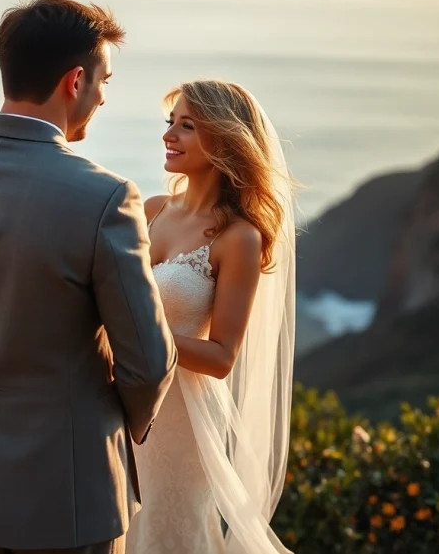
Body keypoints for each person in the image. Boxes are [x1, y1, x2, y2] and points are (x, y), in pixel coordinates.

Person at [0, 0, 176, 554]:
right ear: (75, 82)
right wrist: (96, 424)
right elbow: (147, 362)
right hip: (69, 493)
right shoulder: (106, 197)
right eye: (104, 82)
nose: (101, 98)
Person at [125, 79, 297, 554]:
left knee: (167, 533)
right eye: (170, 123)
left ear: (223, 140)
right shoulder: (152, 209)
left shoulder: (239, 237)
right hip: (121, 401)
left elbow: (222, 357)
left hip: (181, 419)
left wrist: (138, 333)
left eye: (187, 126)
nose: (169, 135)